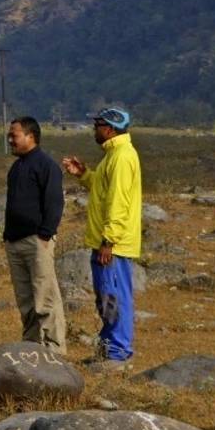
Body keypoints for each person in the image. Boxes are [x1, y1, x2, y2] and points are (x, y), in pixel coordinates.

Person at [60, 106, 142, 366]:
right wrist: (84, 174)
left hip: (112, 245)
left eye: (97, 126)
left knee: (114, 297)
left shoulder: (121, 157)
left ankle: (117, 354)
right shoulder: (113, 155)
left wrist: (109, 241)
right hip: (106, 242)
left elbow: (119, 202)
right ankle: (108, 349)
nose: (93, 130)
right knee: (107, 297)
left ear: (109, 129)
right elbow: (103, 188)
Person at [2, 116, 66, 353]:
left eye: (14, 135)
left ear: (30, 136)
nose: (10, 140)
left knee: (45, 297)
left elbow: (55, 202)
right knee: (26, 300)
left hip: (36, 241)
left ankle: (54, 348)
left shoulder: (46, 166)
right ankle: (31, 346)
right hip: (15, 242)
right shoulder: (17, 167)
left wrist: (45, 235)